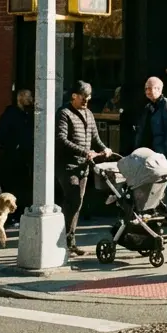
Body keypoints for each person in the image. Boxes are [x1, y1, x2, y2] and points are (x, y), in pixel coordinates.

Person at [55, 80, 109, 256]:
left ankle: (67, 241)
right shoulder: (64, 113)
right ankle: (63, 240)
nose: (87, 101)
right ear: (74, 96)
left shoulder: (89, 114)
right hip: (68, 165)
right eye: (84, 97)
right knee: (72, 200)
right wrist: (84, 151)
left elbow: (95, 138)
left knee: (77, 203)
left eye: (89, 97)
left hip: (83, 167)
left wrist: (104, 149)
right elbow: (62, 139)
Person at [138, 77, 167, 207]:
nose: (147, 91)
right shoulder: (148, 106)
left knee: (166, 180)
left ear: (158, 89)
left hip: (163, 151)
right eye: (146, 88)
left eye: (149, 88)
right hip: (150, 149)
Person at [0, 89, 35, 226]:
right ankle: (9, 217)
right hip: (12, 158)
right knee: (12, 187)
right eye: (28, 97)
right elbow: (1, 133)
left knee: (24, 187)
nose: (31, 99)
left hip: (26, 158)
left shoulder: (29, 114)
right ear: (20, 98)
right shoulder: (10, 114)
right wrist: (14, 145)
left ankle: (20, 214)